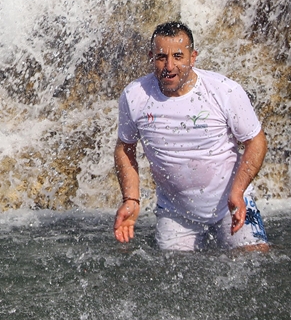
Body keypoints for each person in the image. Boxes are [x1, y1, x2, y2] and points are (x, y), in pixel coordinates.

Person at [113, 21, 269, 251]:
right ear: (150, 57)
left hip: (232, 205)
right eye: (161, 57)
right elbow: (125, 148)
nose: (169, 65)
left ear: (192, 57)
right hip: (176, 213)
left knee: (255, 259)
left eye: (178, 56)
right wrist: (131, 199)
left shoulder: (224, 91)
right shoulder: (135, 95)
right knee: (173, 275)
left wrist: (238, 191)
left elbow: (256, 141)